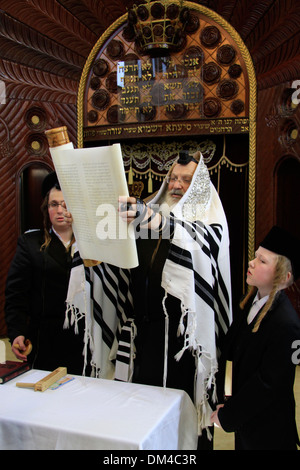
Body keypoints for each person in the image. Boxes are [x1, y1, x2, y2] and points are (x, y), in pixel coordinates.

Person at [118, 150, 232, 446]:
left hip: (186, 347)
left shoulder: (212, 226)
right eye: (172, 178)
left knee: (183, 428)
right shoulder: (149, 222)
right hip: (148, 339)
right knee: (147, 420)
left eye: (186, 180)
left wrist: (154, 219)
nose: (177, 185)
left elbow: (194, 237)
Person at [211, 226, 300, 450]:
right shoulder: (251, 301)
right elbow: (232, 347)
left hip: (270, 430)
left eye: (262, 261)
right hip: (248, 421)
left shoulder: (287, 324)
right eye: (255, 256)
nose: (251, 262)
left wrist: (229, 416)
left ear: (284, 277)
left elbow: (267, 384)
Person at [5, 171, 87, 375]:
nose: (60, 210)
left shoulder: (91, 245)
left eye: (66, 204)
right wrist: (17, 333)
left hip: (84, 340)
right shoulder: (30, 244)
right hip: (45, 339)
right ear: (46, 208)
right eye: (54, 204)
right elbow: (16, 294)